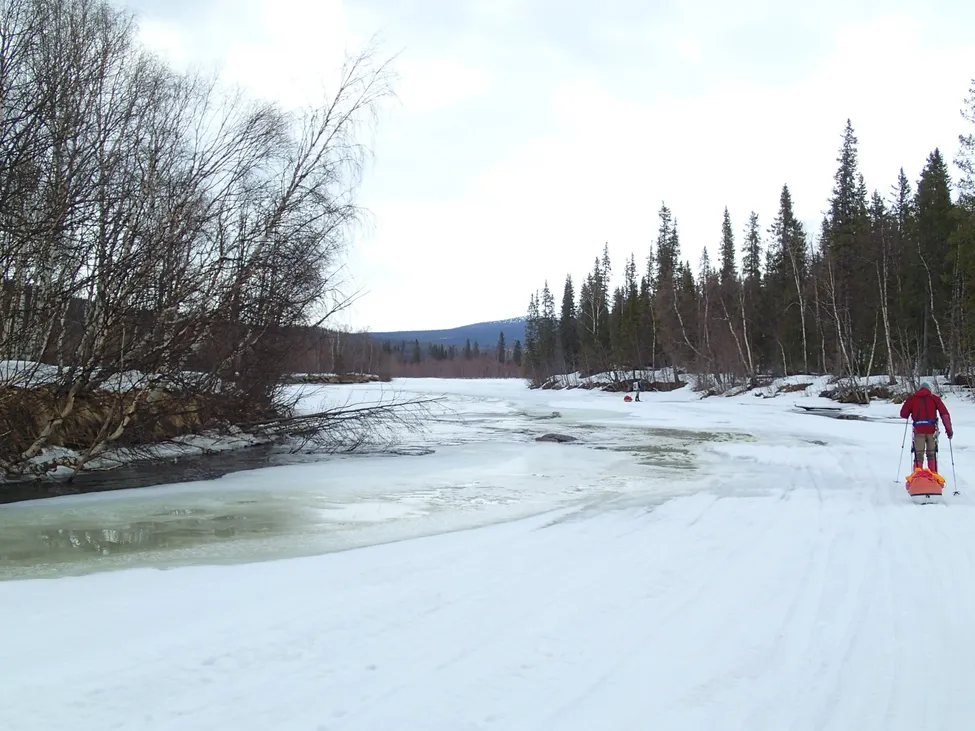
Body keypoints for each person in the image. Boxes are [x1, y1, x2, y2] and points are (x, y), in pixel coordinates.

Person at [900, 380, 953, 473]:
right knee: (931, 454)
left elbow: (903, 414)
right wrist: (949, 430)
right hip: (931, 431)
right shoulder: (934, 398)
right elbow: (944, 414)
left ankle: (917, 475)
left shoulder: (912, 399)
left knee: (918, 454)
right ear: (929, 390)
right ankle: (933, 475)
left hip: (918, 431)